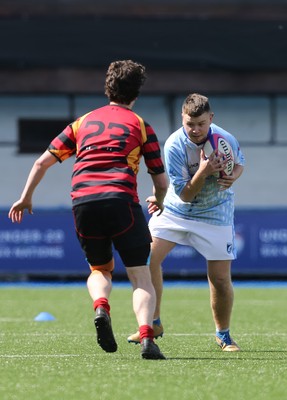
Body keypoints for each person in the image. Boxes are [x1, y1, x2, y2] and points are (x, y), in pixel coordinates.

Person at [8, 59, 168, 360]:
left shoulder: (82, 123)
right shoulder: (142, 126)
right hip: (121, 200)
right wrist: (159, 199)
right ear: (136, 92)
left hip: (83, 201)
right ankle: (147, 338)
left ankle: (101, 307)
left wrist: (26, 197)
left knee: (99, 269)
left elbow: (42, 161)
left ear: (107, 87)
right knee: (140, 276)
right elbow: (159, 178)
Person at [127, 93, 245, 352]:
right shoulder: (173, 145)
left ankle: (223, 335)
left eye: (201, 123)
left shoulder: (226, 139)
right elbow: (185, 194)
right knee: (147, 259)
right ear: (183, 118)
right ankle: (153, 323)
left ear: (210, 119)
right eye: (190, 123)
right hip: (176, 210)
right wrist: (204, 171)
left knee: (220, 279)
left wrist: (232, 177)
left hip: (216, 211)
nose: (195, 129)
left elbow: (239, 164)